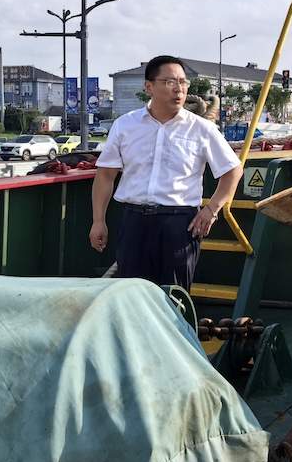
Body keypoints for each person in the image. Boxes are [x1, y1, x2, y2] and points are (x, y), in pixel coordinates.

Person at [90, 55, 244, 292]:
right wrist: (98, 221)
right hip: (134, 222)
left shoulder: (202, 129)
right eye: (170, 82)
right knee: (131, 296)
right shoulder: (125, 125)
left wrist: (212, 210)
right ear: (149, 87)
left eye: (183, 82)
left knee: (174, 298)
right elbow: (105, 175)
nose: (179, 89)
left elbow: (233, 170)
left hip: (180, 225)